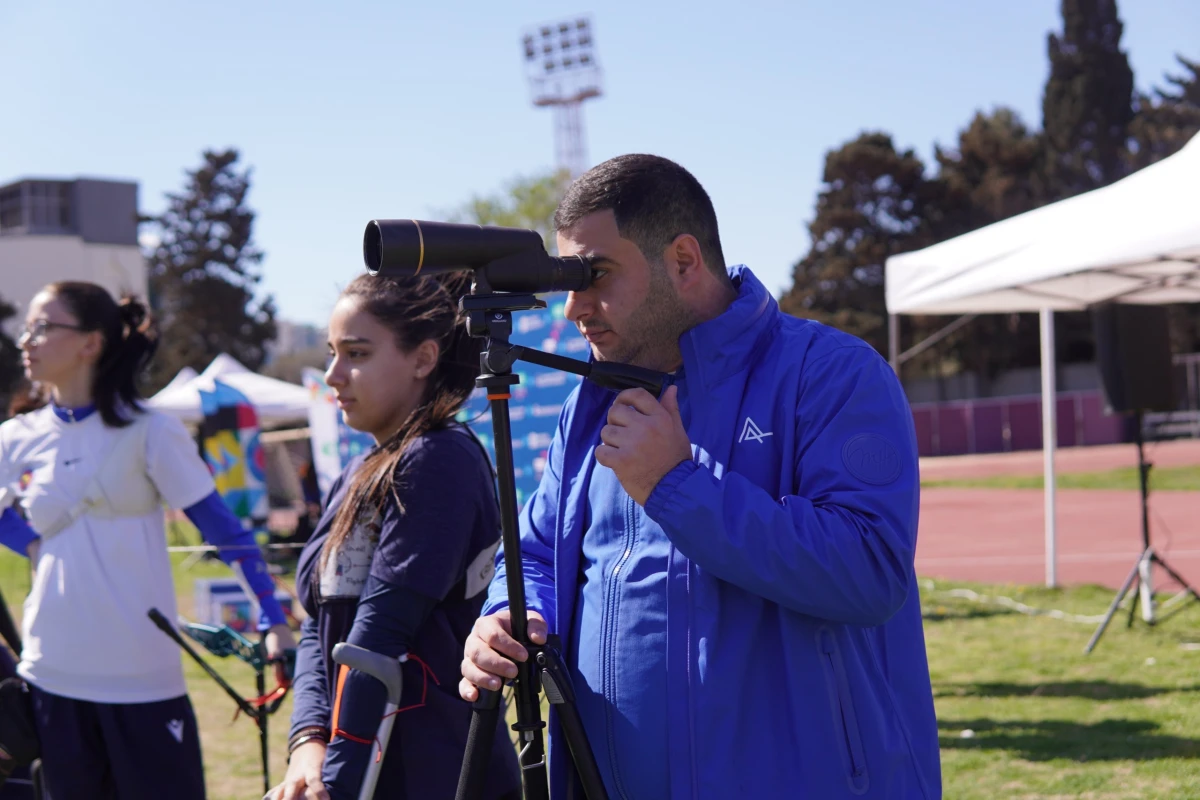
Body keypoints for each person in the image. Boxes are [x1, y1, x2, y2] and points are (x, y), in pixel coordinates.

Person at [459, 154, 943, 799]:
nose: (574, 306)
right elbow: (541, 552)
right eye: (567, 277)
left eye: (595, 273)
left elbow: (870, 572)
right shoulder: (590, 399)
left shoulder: (833, 373)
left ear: (684, 261)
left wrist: (677, 485)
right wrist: (510, 616)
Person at [0, 281, 296, 800]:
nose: (27, 339)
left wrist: (274, 621)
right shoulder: (15, 436)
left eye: (43, 326)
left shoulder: (153, 431)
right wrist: (33, 546)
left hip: (142, 682)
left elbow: (224, 531)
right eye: (27, 327)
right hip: (51, 674)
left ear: (92, 342)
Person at [269, 273, 521, 800]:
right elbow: (321, 630)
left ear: (423, 358)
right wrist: (307, 745)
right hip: (358, 767)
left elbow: (376, 644)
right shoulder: (359, 468)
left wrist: (336, 783)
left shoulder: (439, 458)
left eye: (356, 353)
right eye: (332, 352)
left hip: (432, 774)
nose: (334, 375)